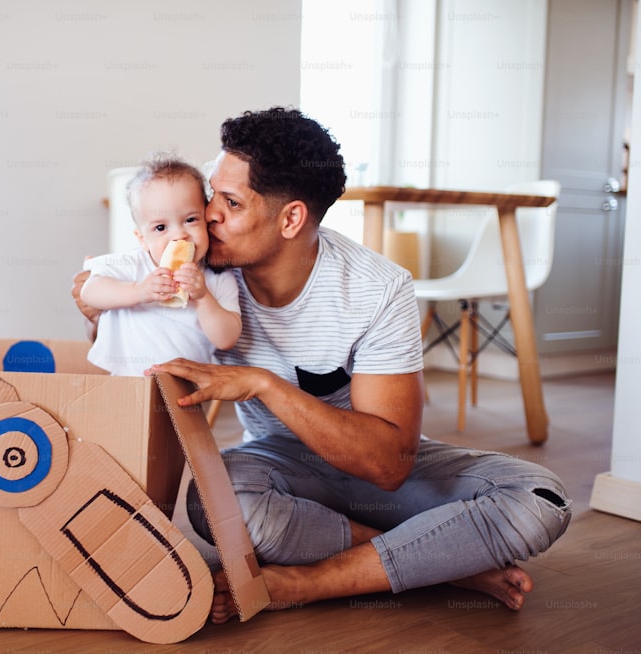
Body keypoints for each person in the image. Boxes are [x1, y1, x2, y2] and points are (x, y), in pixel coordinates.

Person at [72, 107, 571, 624]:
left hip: (379, 475)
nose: (207, 214)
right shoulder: (201, 276)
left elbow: (389, 466)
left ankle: (311, 581)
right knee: (217, 501)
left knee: (539, 499)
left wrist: (264, 385)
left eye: (230, 202)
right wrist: (95, 310)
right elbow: (129, 339)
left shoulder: (377, 289)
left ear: (290, 218)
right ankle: (440, 562)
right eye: (211, 194)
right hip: (282, 472)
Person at [79, 155, 241, 376]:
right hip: (127, 379)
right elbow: (89, 292)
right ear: (142, 239)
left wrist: (203, 299)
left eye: (191, 220)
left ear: (206, 219)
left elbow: (227, 339)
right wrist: (138, 291)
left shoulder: (217, 277)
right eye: (160, 227)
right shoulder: (132, 264)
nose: (179, 234)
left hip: (183, 389)